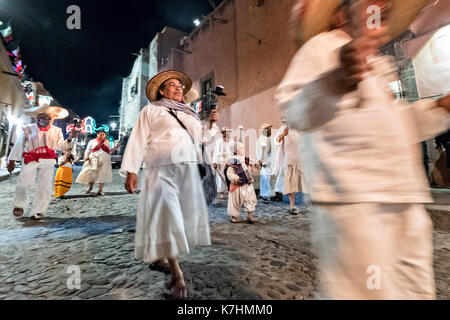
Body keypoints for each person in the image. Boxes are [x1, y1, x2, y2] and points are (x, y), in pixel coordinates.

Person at [275, 0, 449, 299]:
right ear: (342, 12)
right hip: (355, 202)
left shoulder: (378, 64)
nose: (381, 6)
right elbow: (295, 111)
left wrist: (439, 107)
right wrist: (338, 78)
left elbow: (396, 127)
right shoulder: (321, 47)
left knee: (415, 291)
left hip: (404, 199)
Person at [121, 70, 211, 299]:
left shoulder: (190, 113)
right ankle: (175, 273)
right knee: (169, 215)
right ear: (162, 90)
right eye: (172, 84)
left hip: (187, 168)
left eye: (180, 85)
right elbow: (138, 139)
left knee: (173, 216)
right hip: (160, 168)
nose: (178, 87)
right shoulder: (150, 110)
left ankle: (159, 255)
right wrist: (131, 169)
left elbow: (201, 140)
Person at [7, 105, 74, 220]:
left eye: (49, 118)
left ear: (51, 119)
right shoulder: (27, 128)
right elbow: (19, 144)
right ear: (37, 118)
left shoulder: (57, 131)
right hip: (30, 158)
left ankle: (38, 211)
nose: (46, 120)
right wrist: (11, 160)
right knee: (23, 183)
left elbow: (61, 147)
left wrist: (69, 139)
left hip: (48, 160)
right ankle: (20, 204)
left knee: (45, 186)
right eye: (43, 117)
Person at [274, 122, 306, 215]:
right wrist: (284, 134)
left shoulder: (298, 129)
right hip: (287, 161)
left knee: (296, 183)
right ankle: (292, 205)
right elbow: (276, 141)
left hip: (297, 160)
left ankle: (294, 204)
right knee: (290, 183)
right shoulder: (283, 128)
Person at [76, 129, 119, 195]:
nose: (102, 136)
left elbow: (109, 151)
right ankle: (90, 188)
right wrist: (86, 156)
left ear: (105, 135)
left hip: (105, 159)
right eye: (100, 134)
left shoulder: (107, 142)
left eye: (103, 135)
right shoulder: (92, 141)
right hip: (94, 158)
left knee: (103, 174)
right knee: (91, 173)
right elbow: (87, 150)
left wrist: (116, 148)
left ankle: (100, 190)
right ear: (97, 134)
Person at [225, 143, 258, 224]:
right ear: (235, 150)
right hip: (237, 184)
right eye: (241, 148)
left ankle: (250, 215)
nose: (243, 150)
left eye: (243, 148)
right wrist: (234, 178)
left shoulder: (246, 159)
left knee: (250, 198)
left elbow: (251, 168)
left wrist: (256, 166)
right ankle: (234, 217)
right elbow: (229, 173)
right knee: (235, 201)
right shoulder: (232, 160)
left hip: (247, 183)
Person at [212, 127, 234, 199]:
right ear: (223, 133)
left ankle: (229, 191)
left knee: (229, 176)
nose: (227, 133)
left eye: (228, 132)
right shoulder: (219, 141)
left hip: (229, 161)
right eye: (225, 132)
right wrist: (214, 162)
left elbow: (233, 152)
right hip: (221, 161)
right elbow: (216, 152)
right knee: (221, 177)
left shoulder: (231, 141)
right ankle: (221, 192)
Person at [256, 123, 275, 201]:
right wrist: (261, 161)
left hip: (272, 161)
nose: (270, 130)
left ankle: (272, 194)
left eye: (270, 128)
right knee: (265, 178)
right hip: (265, 162)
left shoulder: (273, 139)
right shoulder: (260, 140)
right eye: (268, 128)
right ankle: (264, 194)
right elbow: (258, 151)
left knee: (272, 178)